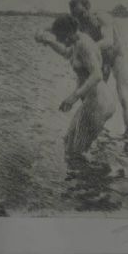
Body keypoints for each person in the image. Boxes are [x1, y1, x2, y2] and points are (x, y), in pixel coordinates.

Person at [35, 15, 115, 156]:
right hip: (92, 102)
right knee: (68, 142)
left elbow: (97, 75)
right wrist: (49, 41)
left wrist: (73, 97)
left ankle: (93, 168)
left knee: (75, 153)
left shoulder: (84, 44)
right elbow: (67, 53)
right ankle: (95, 167)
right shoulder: (77, 41)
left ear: (69, 32)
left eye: (60, 37)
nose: (59, 40)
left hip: (99, 104)